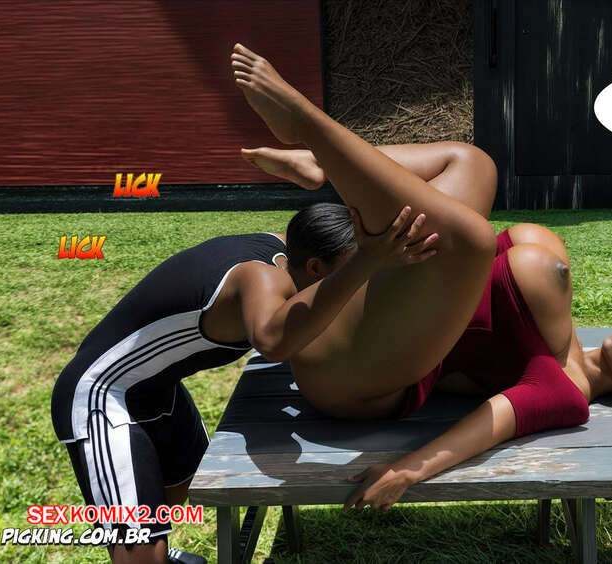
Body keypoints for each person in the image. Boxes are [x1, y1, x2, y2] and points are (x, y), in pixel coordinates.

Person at [230, 43, 612, 512]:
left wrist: (410, 469)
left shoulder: (567, 390)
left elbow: (491, 424)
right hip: (353, 315)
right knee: (471, 162)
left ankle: (309, 125)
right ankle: (320, 163)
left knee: (472, 240)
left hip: (358, 380)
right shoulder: (566, 333)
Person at [51, 199, 437, 563]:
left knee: (181, 489)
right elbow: (272, 342)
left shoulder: (288, 250)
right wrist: (365, 262)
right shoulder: (261, 277)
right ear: (315, 268)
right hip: (103, 396)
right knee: (139, 549)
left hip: (157, 389)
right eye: (351, 278)